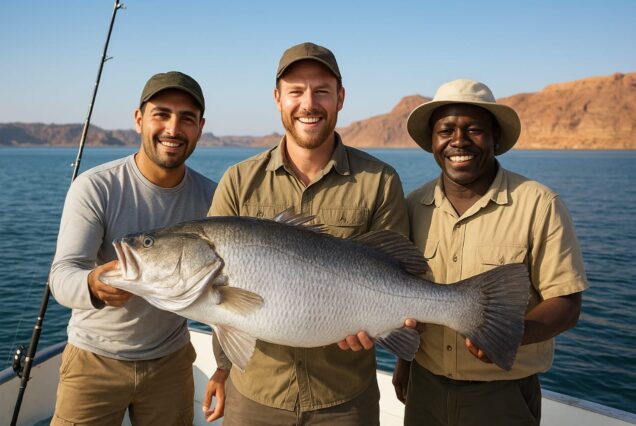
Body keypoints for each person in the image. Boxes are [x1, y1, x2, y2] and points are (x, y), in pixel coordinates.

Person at [202, 42, 409, 425]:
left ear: (340, 98)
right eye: (296, 92)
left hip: (346, 399)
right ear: (278, 98)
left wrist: (385, 330)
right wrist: (221, 368)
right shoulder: (238, 182)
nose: (308, 104)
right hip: (256, 397)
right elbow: (223, 306)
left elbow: (399, 275)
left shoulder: (380, 181)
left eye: (322, 91)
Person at [393, 79, 588, 425]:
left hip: (503, 395)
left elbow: (567, 305)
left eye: (474, 130)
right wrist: (404, 364)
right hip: (425, 391)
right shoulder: (412, 206)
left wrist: (508, 336)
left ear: (496, 138)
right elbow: (409, 297)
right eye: (446, 130)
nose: (459, 141)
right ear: (433, 142)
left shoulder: (539, 204)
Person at [49, 71, 216, 425]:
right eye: (162, 114)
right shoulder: (95, 187)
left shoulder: (212, 198)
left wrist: (226, 366)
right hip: (93, 362)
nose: (173, 128)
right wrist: (92, 283)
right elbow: (62, 275)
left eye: (187, 118)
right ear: (139, 120)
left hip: (171, 363)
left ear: (200, 127)